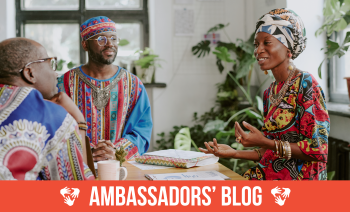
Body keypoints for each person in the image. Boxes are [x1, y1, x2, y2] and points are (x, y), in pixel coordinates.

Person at [199, 8, 330, 180]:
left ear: (288, 47)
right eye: (256, 44)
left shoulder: (306, 86)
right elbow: (268, 152)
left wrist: (264, 142)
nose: (258, 50)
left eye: (266, 42)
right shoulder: (271, 92)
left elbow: (318, 151)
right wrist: (234, 153)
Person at [57, 16, 152, 161]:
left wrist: (115, 151)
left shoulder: (134, 85)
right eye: (101, 39)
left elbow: (141, 130)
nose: (110, 44)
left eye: (114, 38)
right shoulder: (64, 84)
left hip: (119, 166)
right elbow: (55, 127)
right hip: (77, 166)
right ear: (85, 45)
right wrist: (87, 151)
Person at [0, 37, 94, 180]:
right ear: (30, 73)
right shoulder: (51, 115)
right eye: (50, 65)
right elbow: (77, 190)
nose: (55, 74)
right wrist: (78, 120)